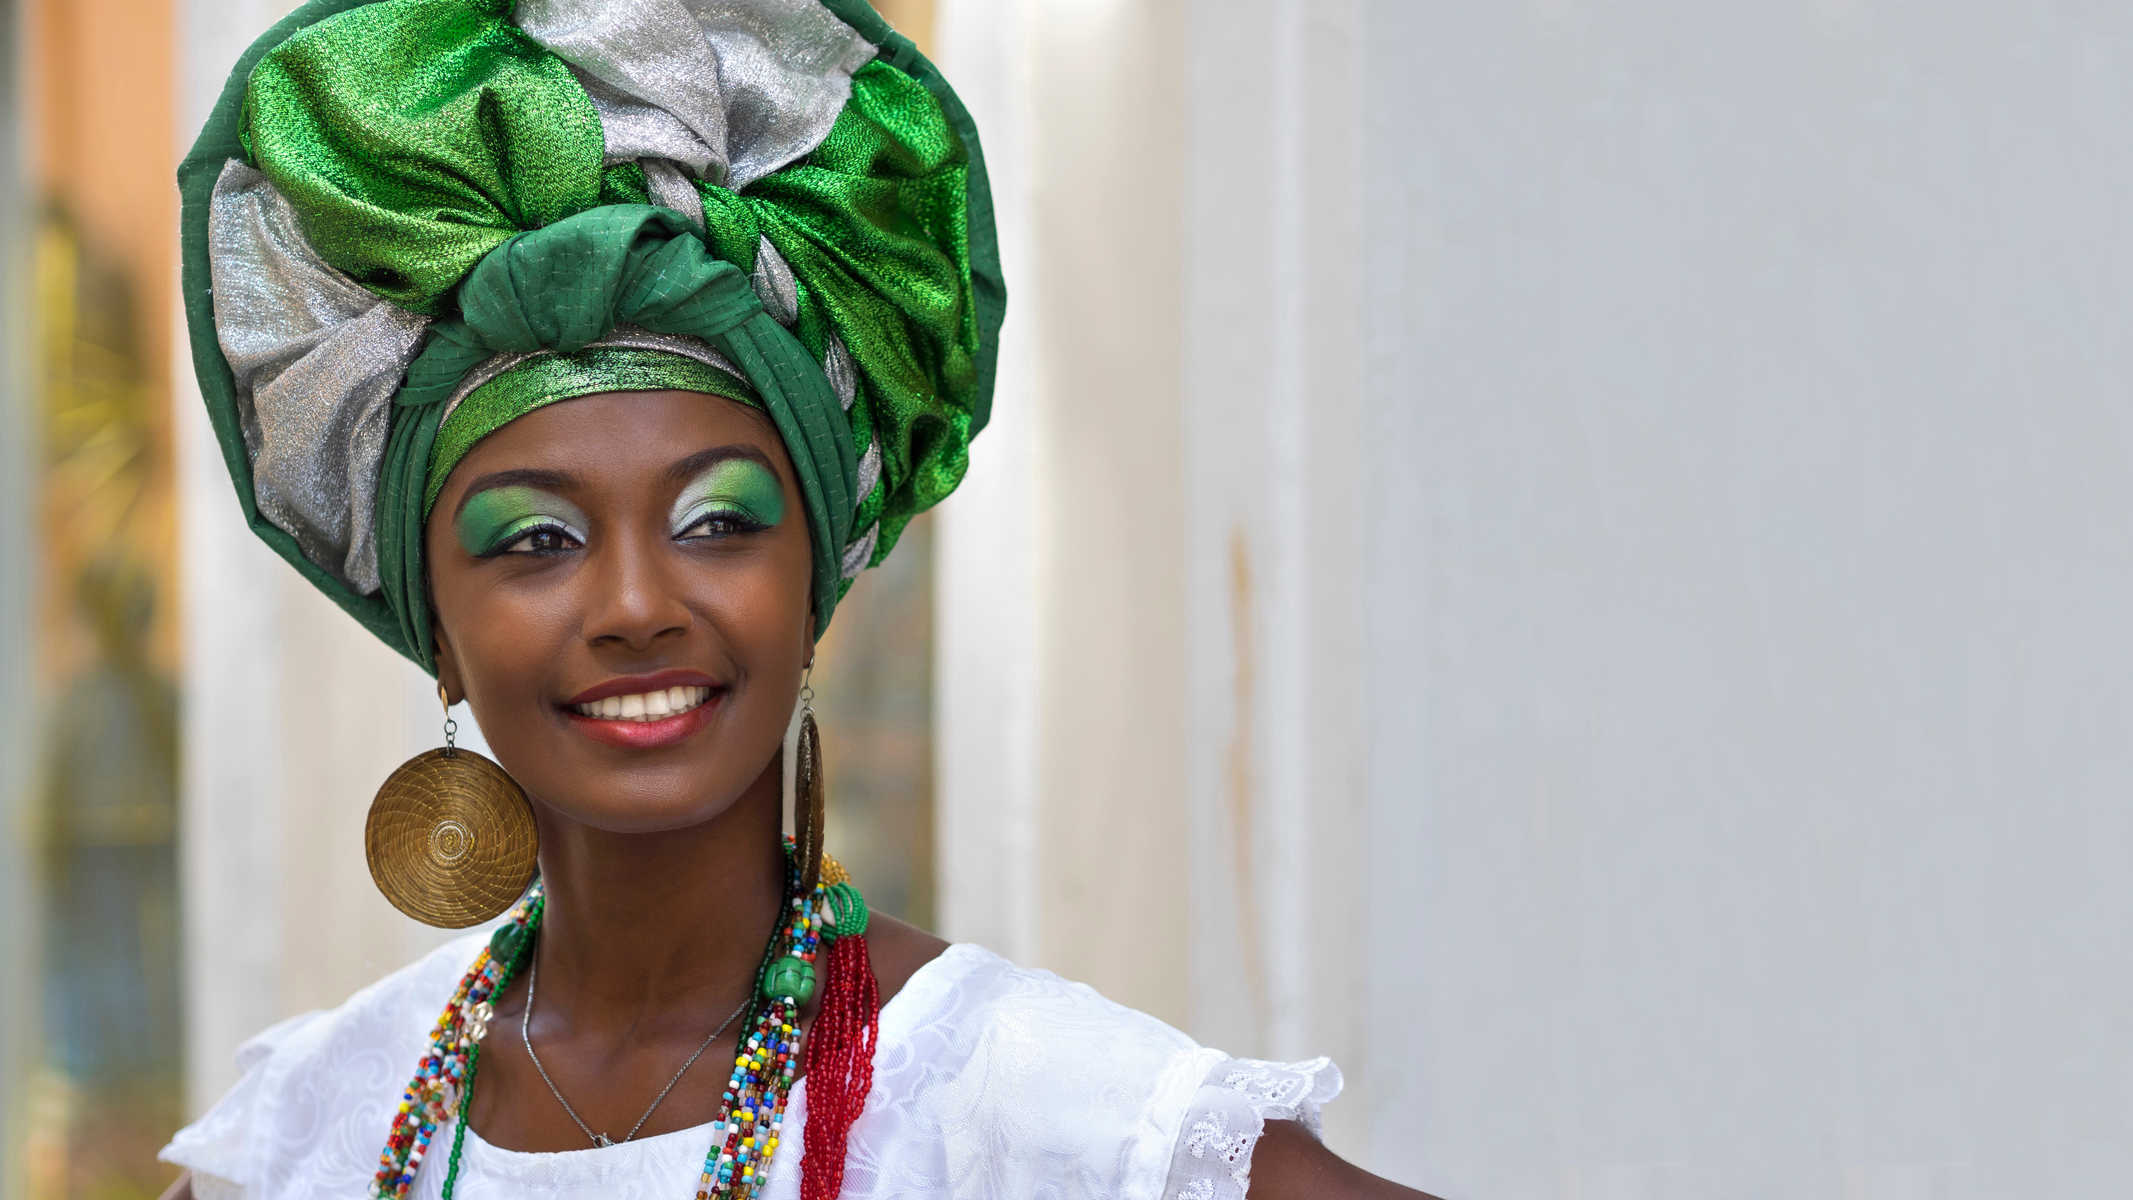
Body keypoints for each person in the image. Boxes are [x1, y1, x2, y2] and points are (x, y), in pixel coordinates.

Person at [156, 1, 1437, 1197]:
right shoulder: (320, 1125)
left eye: (717, 521)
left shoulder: (1032, 1111)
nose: (635, 601)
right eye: (535, 540)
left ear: (811, 584)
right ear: (432, 626)